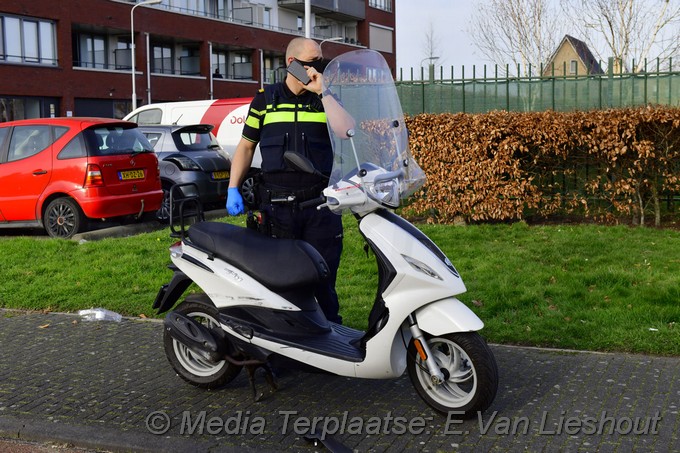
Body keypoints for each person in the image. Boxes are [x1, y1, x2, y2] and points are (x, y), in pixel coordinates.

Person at [225, 37, 354, 324]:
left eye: (320, 63)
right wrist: (233, 187)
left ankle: (329, 338)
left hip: (320, 207)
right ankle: (283, 346)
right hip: (277, 210)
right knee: (280, 281)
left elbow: (346, 131)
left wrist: (323, 93)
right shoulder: (265, 101)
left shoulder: (326, 97)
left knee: (323, 278)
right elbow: (246, 147)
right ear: (291, 64)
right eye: (310, 63)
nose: (316, 70)